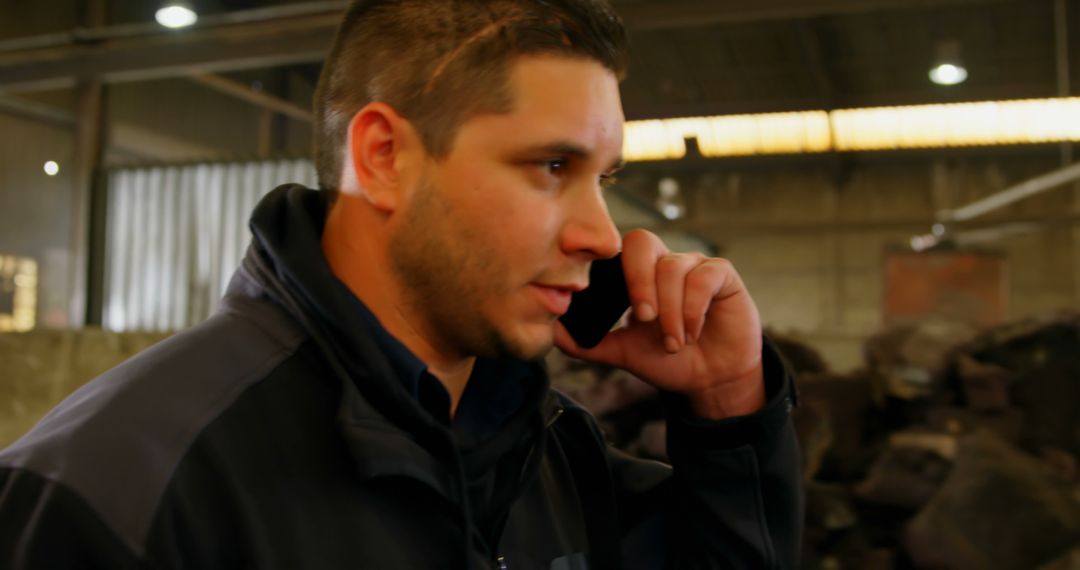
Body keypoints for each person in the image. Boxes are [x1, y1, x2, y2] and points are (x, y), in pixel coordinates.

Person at [0, 0, 803, 568]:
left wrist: (729, 403)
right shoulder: (118, 489)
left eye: (603, 176)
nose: (602, 234)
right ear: (384, 156)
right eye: (552, 166)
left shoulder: (546, 452)